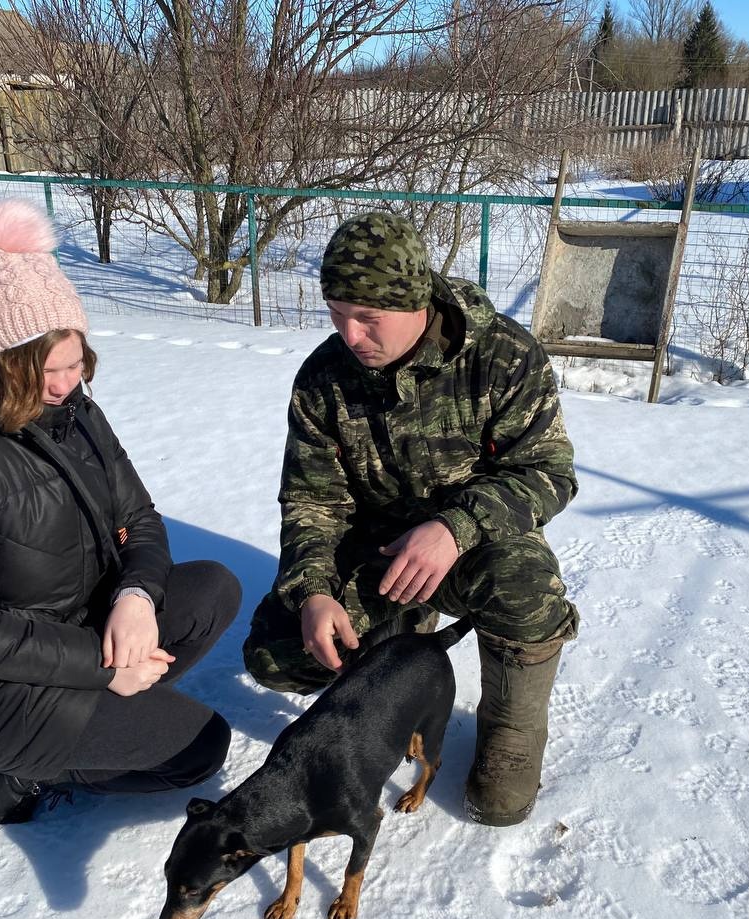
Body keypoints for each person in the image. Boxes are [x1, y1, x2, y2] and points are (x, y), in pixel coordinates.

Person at [0, 198, 240, 825]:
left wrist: (134, 596)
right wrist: (103, 670)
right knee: (200, 749)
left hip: (77, 626)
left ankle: (120, 709)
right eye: (48, 371)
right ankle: (10, 770)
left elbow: (143, 520)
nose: (68, 383)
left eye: (77, 363)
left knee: (213, 588)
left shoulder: (75, 412)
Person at [242, 211, 580, 827]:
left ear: (418, 301)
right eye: (337, 314)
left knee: (526, 587)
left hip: (473, 549)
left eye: (368, 318)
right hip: (376, 552)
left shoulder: (501, 356)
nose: (350, 334)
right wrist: (315, 592)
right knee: (277, 652)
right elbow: (312, 502)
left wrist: (456, 528)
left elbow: (549, 473)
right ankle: (393, 651)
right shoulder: (323, 380)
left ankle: (510, 728)